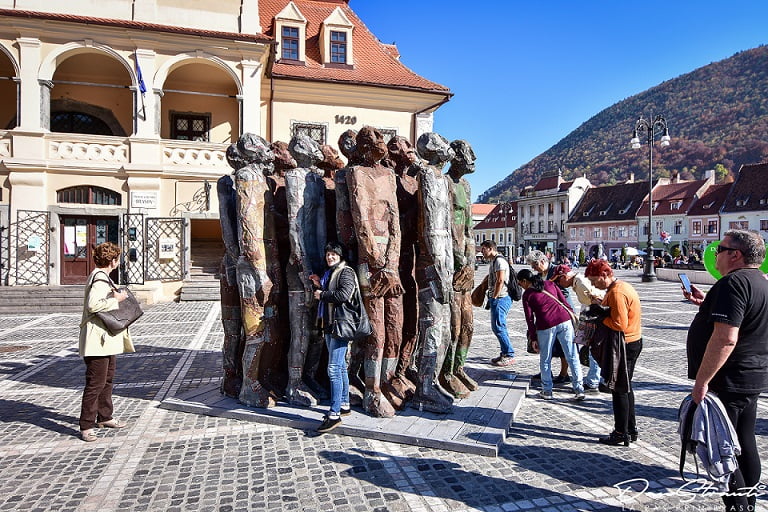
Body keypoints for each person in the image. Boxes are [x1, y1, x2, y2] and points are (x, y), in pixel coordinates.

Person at [686, 230, 768, 512]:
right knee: (744, 440)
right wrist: (706, 304)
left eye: (719, 249)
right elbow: (744, 319)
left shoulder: (733, 283)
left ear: (735, 255)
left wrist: (701, 381)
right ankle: (750, 502)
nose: (714, 255)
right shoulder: (760, 281)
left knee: (723, 448)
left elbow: (725, 339)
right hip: (751, 375)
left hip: (729, 379)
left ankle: (738, 506)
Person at [78, 242, 134, 442]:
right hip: (97, 339)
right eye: (117, 259)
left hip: (106, 338)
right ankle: (86, 426)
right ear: (113, 261)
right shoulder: (100, 279)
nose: (118, 262)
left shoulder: (102, 276)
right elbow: (93, 305)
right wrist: (117, 299)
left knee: (107, 379)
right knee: (95, 383)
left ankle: (105, 416)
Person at [585, 259, 642, 446]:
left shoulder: (617, 292)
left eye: (595, 281)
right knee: (626, 387)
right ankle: (630, 429)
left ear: (604, 275)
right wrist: (601, 304)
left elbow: (619, 324)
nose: (594, 285)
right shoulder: (620, 286)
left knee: (619, 388)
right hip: (632, 341)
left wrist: (600, 317)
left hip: (625, 344)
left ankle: (620, 432)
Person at [517, 269, 585, 401]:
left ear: (524, 281)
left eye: (520, 283)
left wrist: (533, 338)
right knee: (572, 356)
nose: (520, 286)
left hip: (545, 326)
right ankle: (579, 389)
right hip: (564, 321)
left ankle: (547, 390)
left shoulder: (528, 295)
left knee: (545, 358)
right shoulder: (550, 284)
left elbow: (529, 319)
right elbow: (564, 302)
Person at [310, 242, 357, 433]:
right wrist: (319, 284)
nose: (330, 257)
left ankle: (334, 414)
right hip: (331, 325)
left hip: (340, 326)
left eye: (333, 254)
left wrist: (322, 294)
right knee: (340, 366)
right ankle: (344, 404)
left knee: (334, 369)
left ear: (340, 255)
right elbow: (333, 291)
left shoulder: (346, 272)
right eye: (328, 254)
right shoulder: (332, 273)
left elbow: (343, 294)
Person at [550, 264, 606, 391]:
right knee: (591, 348)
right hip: (590, 316)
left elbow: (599, 299)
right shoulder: (578, 282)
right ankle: (597, 379)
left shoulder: (581, 283)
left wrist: (590, 321)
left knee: (594, 349)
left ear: (565, 277)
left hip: (594, 318)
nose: (559, 284)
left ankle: (593, 382)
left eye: (559, 280)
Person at [527, 250, 571, 382]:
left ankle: (564, 374)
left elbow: (564, 292)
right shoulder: (540, 276)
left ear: (542, 261)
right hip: (546, 315)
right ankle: (546, 372)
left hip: (561, 313)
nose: (533, 269)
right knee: (546, 345)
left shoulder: (556, 271)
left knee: (563, 346)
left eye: (534, 265)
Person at [480, 240, 515, 367]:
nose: (482, 252)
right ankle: (505, 352)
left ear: (490, 248)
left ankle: (509, 354)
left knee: (499, 326)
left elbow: (500, 280)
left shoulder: (499, 261)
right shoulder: (494, 261)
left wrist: (494, 297)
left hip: (501, 297)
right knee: (497, 327)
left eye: (483, 249)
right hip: (498, 297)